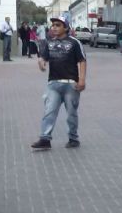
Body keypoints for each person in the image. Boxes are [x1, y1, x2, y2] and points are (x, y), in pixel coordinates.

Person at [30, 18, 87, 150]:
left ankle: (73, 138)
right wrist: (41, 61)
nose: (54, 27)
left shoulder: (74, 43)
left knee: (71, 113)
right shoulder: (48, 43)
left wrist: (82, 80)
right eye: (53, 25)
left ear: (65, 28)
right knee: (49, 111)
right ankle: (45, 139)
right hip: (53, 84)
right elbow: (43, 57)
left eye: (58, 25)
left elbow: (82, 61)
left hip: (71, 84)